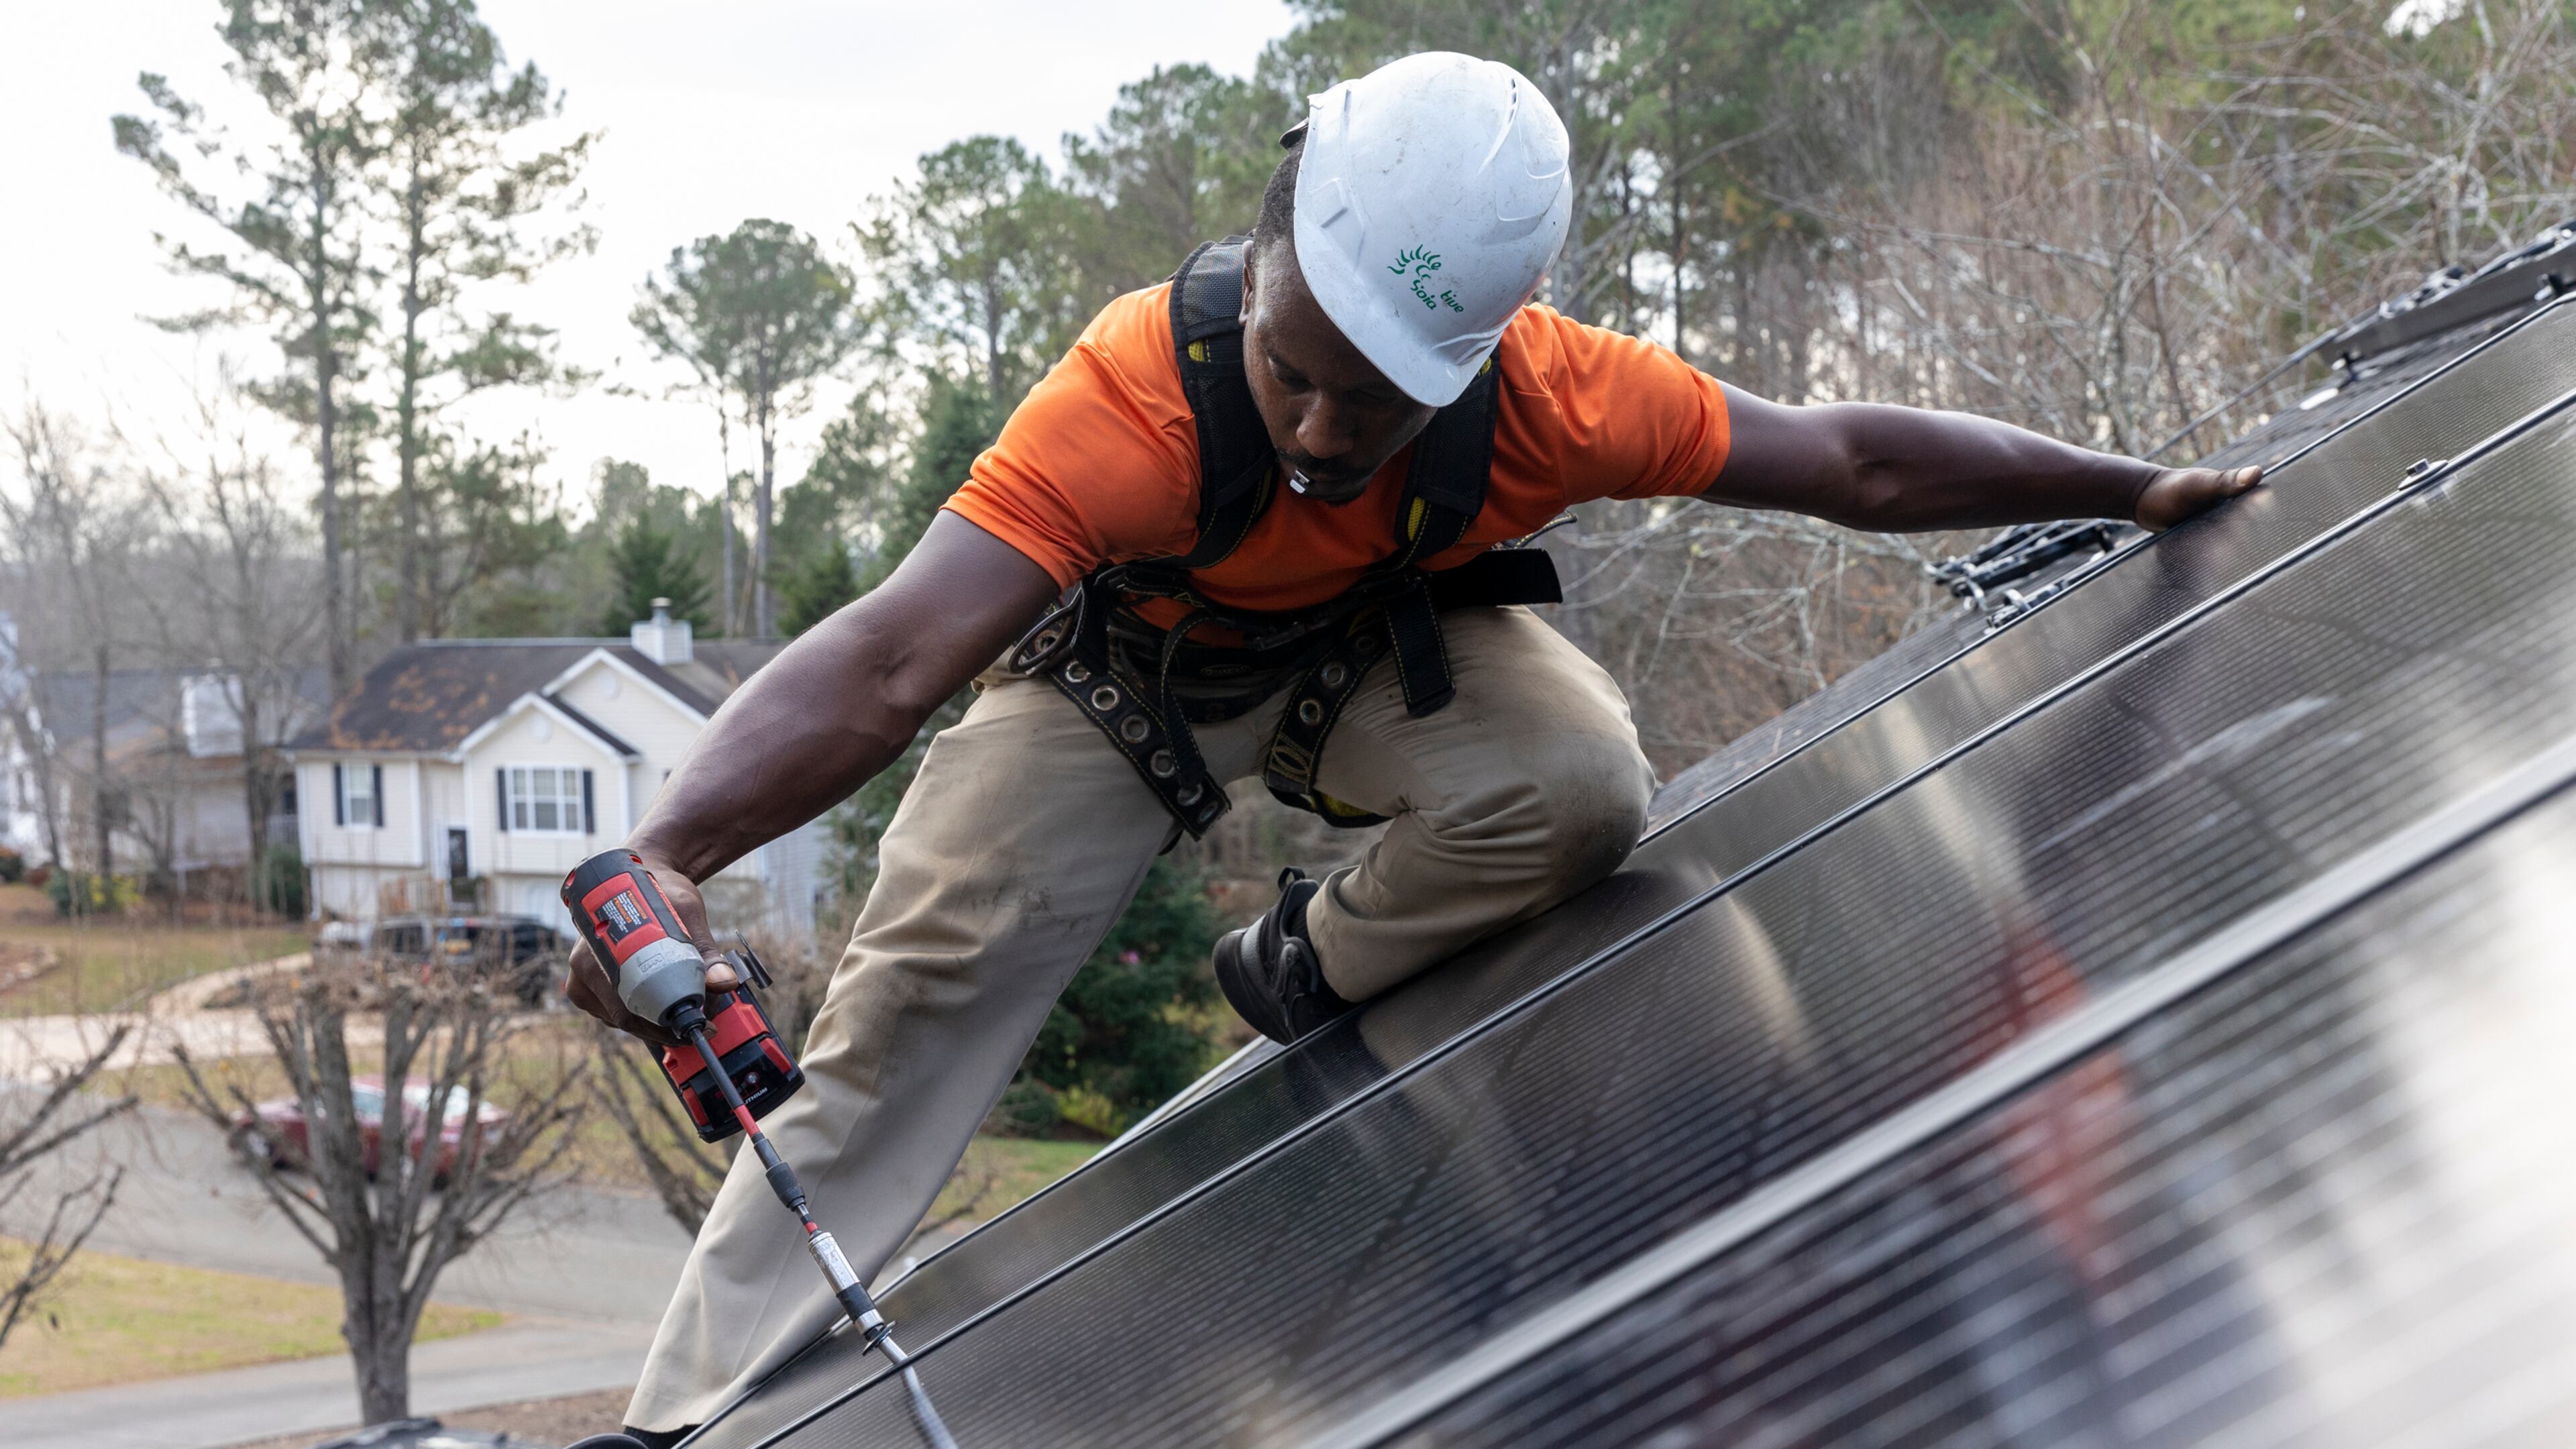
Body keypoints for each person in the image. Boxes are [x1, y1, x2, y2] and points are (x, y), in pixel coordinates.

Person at [571, 52, 2261, 1442]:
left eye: (1377, 400)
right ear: (1274, 237)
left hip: (1376, 669)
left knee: (1586, 780)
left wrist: (2122, 489)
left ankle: (1308, 965)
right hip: (1117, 693)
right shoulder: (1131, 403)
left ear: (1478, 363)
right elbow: (886, 661)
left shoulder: (1556, 396)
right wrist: (670, 856)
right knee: (917, 1008)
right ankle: (687, 1421)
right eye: (1298, 371)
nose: (1319, 427)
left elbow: (1850, 464)